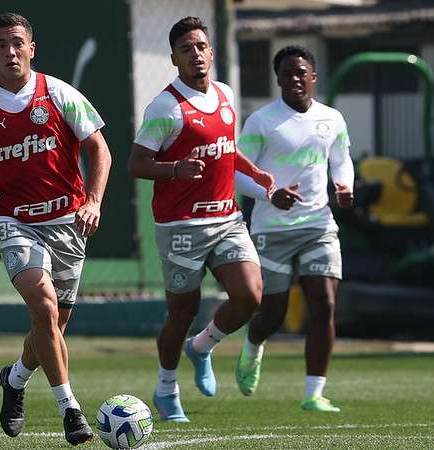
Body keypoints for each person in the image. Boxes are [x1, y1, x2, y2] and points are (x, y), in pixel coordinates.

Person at [0, 12, 111, 445]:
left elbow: (100, 149)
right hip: (13, 220)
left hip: (67, 220)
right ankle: (70, 410)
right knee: (44, 309)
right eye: (1, 44)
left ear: (31, 48)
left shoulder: (58, 93)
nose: (10, 51)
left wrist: (93, 201)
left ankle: (15, 379)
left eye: (17, 43)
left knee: (54, 323)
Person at [128, 17, 274, 423]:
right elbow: (137, 163)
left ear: (211, 52)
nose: (196, 54)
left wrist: (256, 175)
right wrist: (175, 170)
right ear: (174, 58)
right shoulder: (165, 107)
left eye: (201, 46)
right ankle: (166, 388)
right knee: (182, 312)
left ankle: (202, 347)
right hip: (181, 226)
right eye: (186, 49)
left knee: (249, 296)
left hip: (227, 218)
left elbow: (226, 150)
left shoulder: (225, 94)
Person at [234, 45, 354, 412]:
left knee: (324, 304)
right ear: (278, 79)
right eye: (287, 74)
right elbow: (237, 172)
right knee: (272, 315)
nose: (295, 79)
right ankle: (254, 346)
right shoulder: (262, 121)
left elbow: (341, 159)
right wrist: (270, 193)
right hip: (272, 230)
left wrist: (345, 186)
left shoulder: (332, 119)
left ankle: (313, 393)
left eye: (301, 72)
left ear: (313, 77)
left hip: (319, 225)